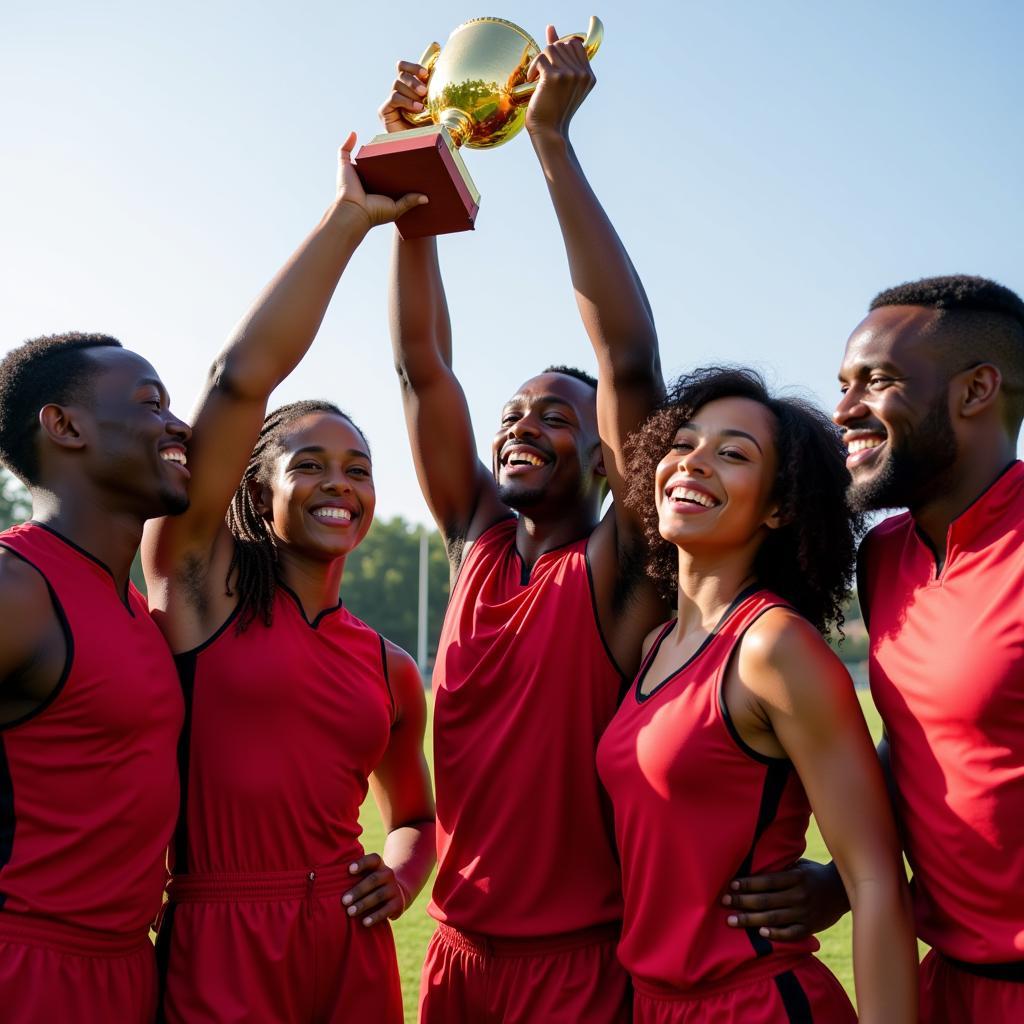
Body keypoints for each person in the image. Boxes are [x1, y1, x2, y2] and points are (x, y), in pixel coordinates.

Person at [382, 28, 667, 1024]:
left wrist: (549, 141)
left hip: (579, 969)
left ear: (603, 456)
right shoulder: (476, 540)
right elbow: (423, 368)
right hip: (457, 960)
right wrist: (413, 191)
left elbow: (628, 361)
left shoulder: (621, 562)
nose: (520, 424)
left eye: (555, 414)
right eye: (514, 410)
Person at [143, 134, 435, 1024]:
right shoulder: (201, 585)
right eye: (309, 463)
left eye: (358, 465)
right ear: (254, 484)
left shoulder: (388, 665)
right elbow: (239, 380)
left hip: (348, 949)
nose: (339, 483)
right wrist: (348, 222)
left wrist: (401, 871)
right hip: (217, 938)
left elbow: (416, 809)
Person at [597, 366, 918, 1023]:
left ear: (779, 506)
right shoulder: (655, 645)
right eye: (682, 444)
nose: (693, 463)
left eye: (733, 453)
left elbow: (874, 879)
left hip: (755, 1003)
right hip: (653, 1005)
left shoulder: (775, 649)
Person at [831, 275, 1024, 1022]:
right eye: (843, 384)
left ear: (977, 390)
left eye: (876, 381)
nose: (845, 410)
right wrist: (842, 875)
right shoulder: (881, 555)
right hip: (941, 985)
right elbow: (918, 737)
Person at [0, 332, 191, 1021]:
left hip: (127, 971)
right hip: (26, 971)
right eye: (152, 403)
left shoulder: (139, 611)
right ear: (66, 425)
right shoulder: (15, 587)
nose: (178, 424)